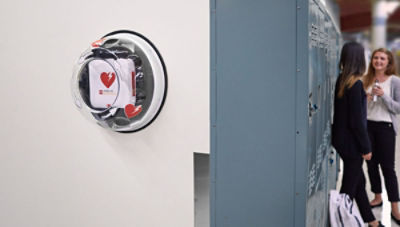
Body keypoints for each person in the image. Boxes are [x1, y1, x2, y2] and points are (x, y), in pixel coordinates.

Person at [332, 42, 384, 227]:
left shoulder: (344, 80)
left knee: (358, 182)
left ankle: (372, 222)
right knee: (348, 189)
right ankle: (338, 220)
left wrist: (363, 98)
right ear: (359, 59)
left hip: (341, 139)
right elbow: (357, 123)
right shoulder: (356, 84)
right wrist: (366, 147)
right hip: (352, 143)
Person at [363, 48, 400, 225]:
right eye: (376, 58)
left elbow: (398, 108)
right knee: (371, 164)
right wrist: (366, 99)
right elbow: (359, 107)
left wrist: (383, 96)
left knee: (388, 168)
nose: (378, 61)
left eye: (382, 59)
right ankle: (377, 196)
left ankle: (395, 207)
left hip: (386, 127)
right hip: (368, 126)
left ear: (388, 62)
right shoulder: (366, 79)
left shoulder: (395, 81)